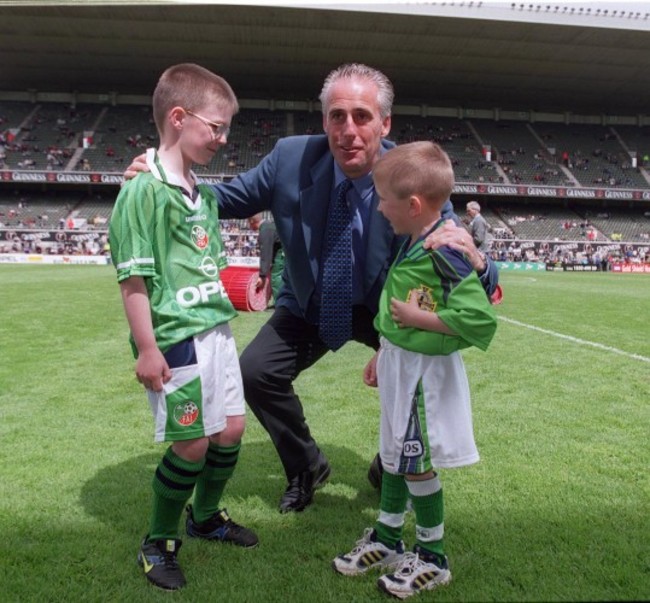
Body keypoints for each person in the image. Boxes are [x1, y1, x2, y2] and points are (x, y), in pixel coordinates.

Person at [124, 63, 499, 514]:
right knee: (255, 372)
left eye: (362, 116)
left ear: (385, 123)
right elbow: (220, 200)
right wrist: (164, 176)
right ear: (324, 122)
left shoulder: (409, 171)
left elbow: (456, 255)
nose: (349, 130)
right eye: (337, 116)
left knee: (419, 371)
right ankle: (306, 466)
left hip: (386, 309)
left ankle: (392, 464)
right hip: (311, 303)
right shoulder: (290, 158)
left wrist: (478, 261)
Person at [109, 63, 258, 592]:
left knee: (231, 431)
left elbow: (206, 265)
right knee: (191, 444)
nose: (223, 138)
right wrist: (147, 349)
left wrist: (243, 289)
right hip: (174, 337)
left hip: (215, 330)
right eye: (216, 127)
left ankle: (207, 516)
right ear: (178, 117)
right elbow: (134, 280)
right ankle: (158, 541)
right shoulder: (142, 191)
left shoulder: (202, 193)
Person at [332, 141, 497, 599]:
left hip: (424, 376)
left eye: (383, 199)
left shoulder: (445, 249)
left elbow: (480, 319)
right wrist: (383, 352)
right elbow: (394, 309)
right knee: (393, 457)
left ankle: (432, 557)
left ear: (414, 204)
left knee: (417, 464)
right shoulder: (416, 240)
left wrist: (419, 319)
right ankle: (387, 539)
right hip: (400, 365)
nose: (380, 207)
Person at [247, 212, 285, 304]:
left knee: (276, 279)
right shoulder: (269, 226)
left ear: (252, 221)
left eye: (248, 222)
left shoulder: (265, 230)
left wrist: (262, 276)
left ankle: (280, 304)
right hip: (283, 253)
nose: (248, 225)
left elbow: (265, 254)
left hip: (282, 255)